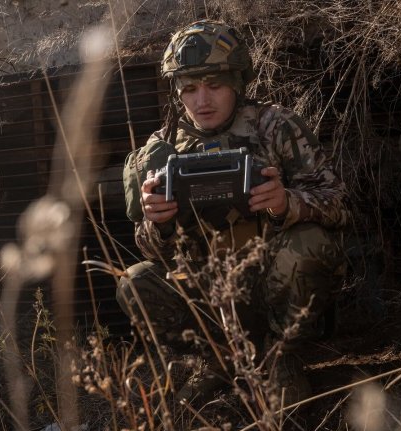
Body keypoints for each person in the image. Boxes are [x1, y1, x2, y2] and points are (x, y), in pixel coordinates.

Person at [116, 20, 349, 404]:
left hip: (271, 284)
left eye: (214, 85)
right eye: (189, 88)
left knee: (311, 245)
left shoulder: (274, 126)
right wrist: (157, 223)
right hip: (210, 295)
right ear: (178, 93)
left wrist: (285, 203)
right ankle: (219, 359)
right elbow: (150, 250)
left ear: (237, 83)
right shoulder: (159, 149)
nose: (201, 100)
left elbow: (338, 203)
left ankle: (280, 360)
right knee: (133, 282)